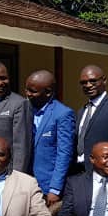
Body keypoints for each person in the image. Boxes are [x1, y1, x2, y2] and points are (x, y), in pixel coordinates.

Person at [25, 70, 74, 205]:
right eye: (27, 90)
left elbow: (64, 153)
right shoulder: (24, 110)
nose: (28, 94)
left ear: (48, 92)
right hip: (25, 183)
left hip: (47, 186)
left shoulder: (63, 114)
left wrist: (55, 188)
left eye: (33, 91)